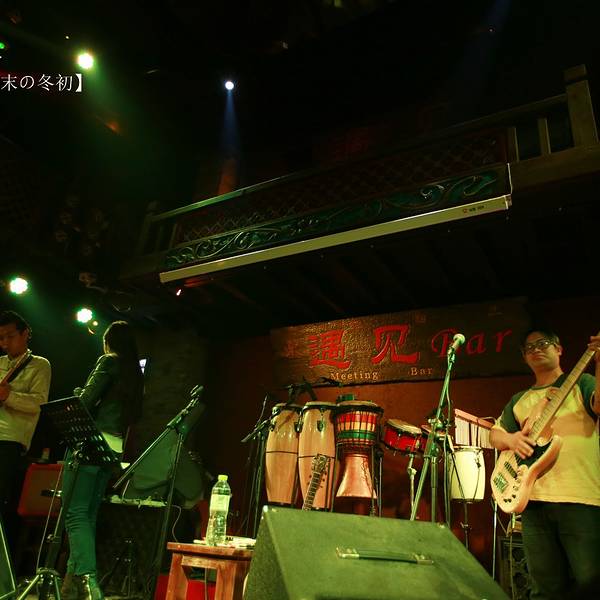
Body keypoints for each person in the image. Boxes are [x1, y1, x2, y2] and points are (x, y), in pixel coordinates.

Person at [490, 329, 600, 600]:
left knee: (590, 584)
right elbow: (494, 435)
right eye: (529, 348)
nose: (536, 349)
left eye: (543, 343)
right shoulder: (519, 400)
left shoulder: (583, 383)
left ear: (559, 349)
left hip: (581, 498)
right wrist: (512, 439)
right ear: (524, 357)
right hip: (533, 502)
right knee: (544, 590)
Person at [62, 320, 143, 600]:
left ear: (108, 342)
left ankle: (88, 581)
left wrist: (77, 395)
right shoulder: (136, 373)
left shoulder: (109, 360)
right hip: (114, 447)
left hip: (91, 441)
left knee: (74, 513)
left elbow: (85, 401)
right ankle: (72, 585)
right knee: (89, 514)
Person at [0, 310, 51, 550]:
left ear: (25, 334)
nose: (5, 343)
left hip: (10, 440)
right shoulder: (0, 363)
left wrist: (8, 396)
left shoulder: (40, 365)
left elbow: (38, 404)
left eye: (10, 336)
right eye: (1, 338)